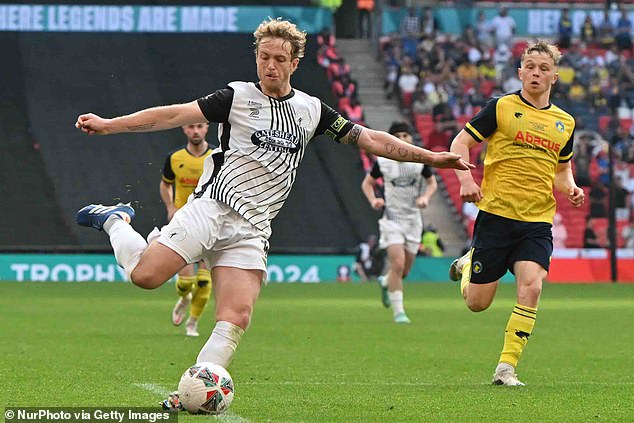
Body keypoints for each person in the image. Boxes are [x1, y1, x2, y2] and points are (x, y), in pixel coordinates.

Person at [74, 17, 473, 406]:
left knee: (236, 316)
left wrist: (432, 158)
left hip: (252, 228)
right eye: (264, 56)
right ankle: (114, 219)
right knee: (144, 277)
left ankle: (191, 392)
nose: (270, 65)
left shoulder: (311, 110)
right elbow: (174, 114)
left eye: (279, 59)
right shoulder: (237, 97)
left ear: (295, 63)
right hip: (212, 208)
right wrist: (110, 124)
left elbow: (369, 139)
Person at [447, 41, 585, 386]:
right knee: (477, 303)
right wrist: (465, 178)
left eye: (543, 68)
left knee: (532, 287)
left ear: (555, 75)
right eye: (530, 66)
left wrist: (570, 187)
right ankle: (468, 263)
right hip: (496, 214)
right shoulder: (501, 107)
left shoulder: (564, 122)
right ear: (520, 72)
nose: (536, 73)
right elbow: (459, 144)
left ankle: (506, 368)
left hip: (537, 220)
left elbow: (561, 169)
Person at [361, 121, 438, 323]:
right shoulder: (383, 162)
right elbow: (367, 184)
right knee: (397, 262)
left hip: (413, 219)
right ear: (391, 139)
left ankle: (386, 282)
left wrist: (426, 198)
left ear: (411, 138)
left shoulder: (420, 160)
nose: (403, 139)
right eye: (398, 136)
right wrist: (373, 200)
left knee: (404, 271)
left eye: (406, 135)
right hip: (391, 219)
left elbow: (432, 183)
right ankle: (399, 313)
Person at [161, 123, 214, 337]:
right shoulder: (174, 158)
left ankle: (192, 324)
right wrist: (170, 207)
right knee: (185, 283)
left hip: (210, 222)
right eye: (191, 126)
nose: (195, 131)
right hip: (184, 222)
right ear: (184, 129)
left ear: (207, 128)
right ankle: (184, 297)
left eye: (199, 126)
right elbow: (165, 184)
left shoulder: (217, 156)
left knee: (204, 281)